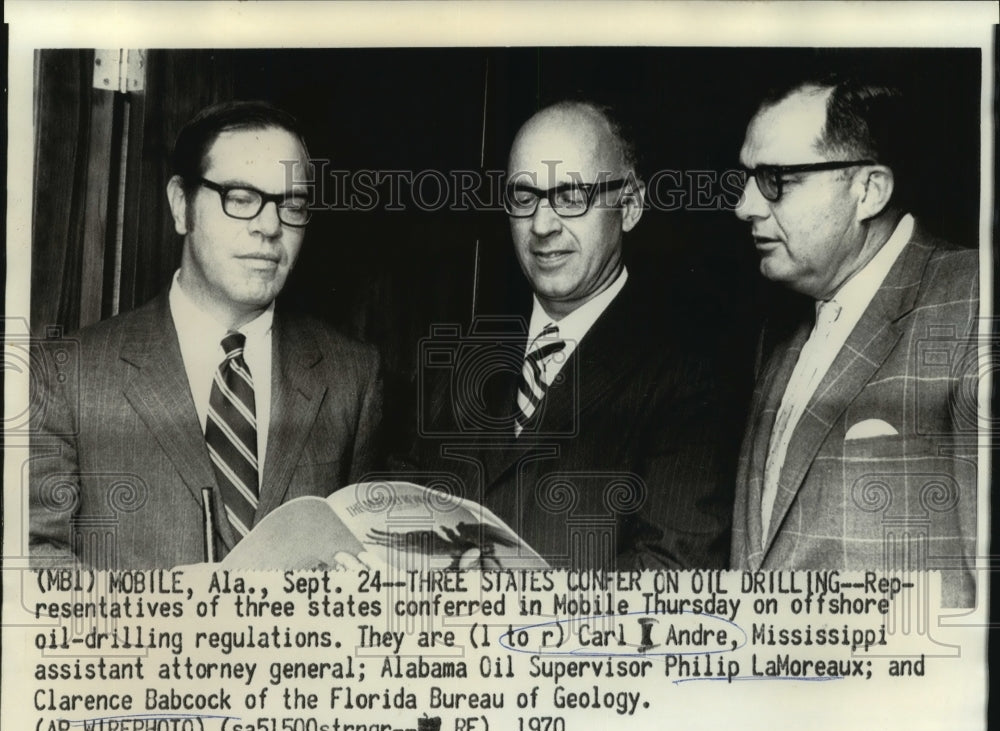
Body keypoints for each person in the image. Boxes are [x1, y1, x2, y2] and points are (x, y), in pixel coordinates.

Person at [29, 101, 383, 569]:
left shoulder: (352, 377)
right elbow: (35, 561)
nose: (270, 226)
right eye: (240, 197)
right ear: (182, 207)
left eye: (292, 205)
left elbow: (370, 557)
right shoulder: (65, 375)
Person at [412, 101, 737, 570]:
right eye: (524, 198)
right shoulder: (459, 355)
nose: (542, 226)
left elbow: (669, 574)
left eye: (571, 196)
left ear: (629, 205)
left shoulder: (690, 378)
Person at [731, 77, 979, 607]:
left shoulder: (974, 298)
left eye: (776, 179)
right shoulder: (778, 331)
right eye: (749, 177)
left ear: (869, 190)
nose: (745, 205)